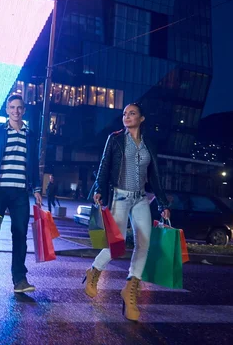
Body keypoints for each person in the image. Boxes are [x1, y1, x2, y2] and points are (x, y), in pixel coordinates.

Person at [84, 103, 170, 322]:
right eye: (124, 114)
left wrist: (163, 204)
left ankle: (131, 288)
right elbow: (104, 166)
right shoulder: (115, 139)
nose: (127, 116)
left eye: (132, 113)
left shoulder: (149, 144)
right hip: (120, 196)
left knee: (144, 243)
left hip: (141, 198)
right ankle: (94, 271)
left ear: (142, 118)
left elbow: (156, 176)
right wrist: (98, 189)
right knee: (116, 244)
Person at [0, 94, 42, 293]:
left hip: (20, 192)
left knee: (20, 233)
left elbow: (33, 165)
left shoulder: (30, 135)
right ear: (7, 110)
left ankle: (19, 279)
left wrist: (37, 188)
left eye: (19, 108)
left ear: (23, 110)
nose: (16, 111)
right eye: (12, 107)